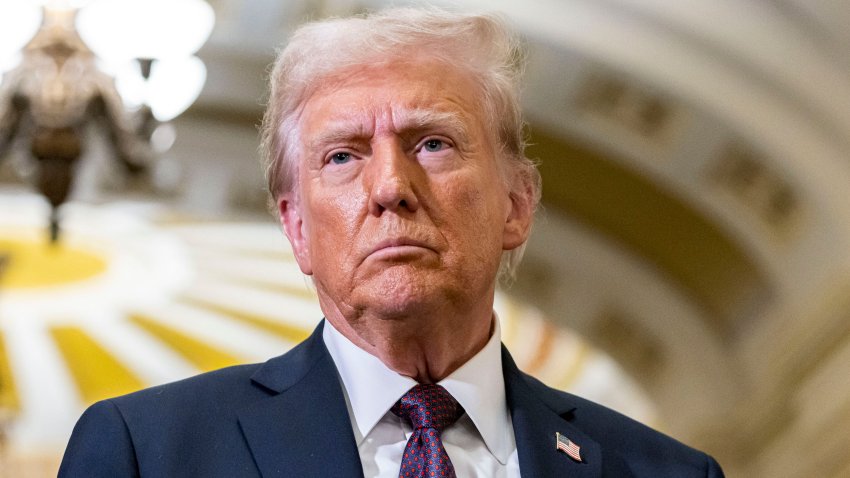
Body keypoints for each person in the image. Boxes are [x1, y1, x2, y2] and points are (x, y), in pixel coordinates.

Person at [59, 7, 724, 477]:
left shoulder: (663, 471)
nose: (390, 186)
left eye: (432, 143)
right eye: (344, 156)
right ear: (297, 229)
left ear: (518, 205)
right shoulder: (147, 453)